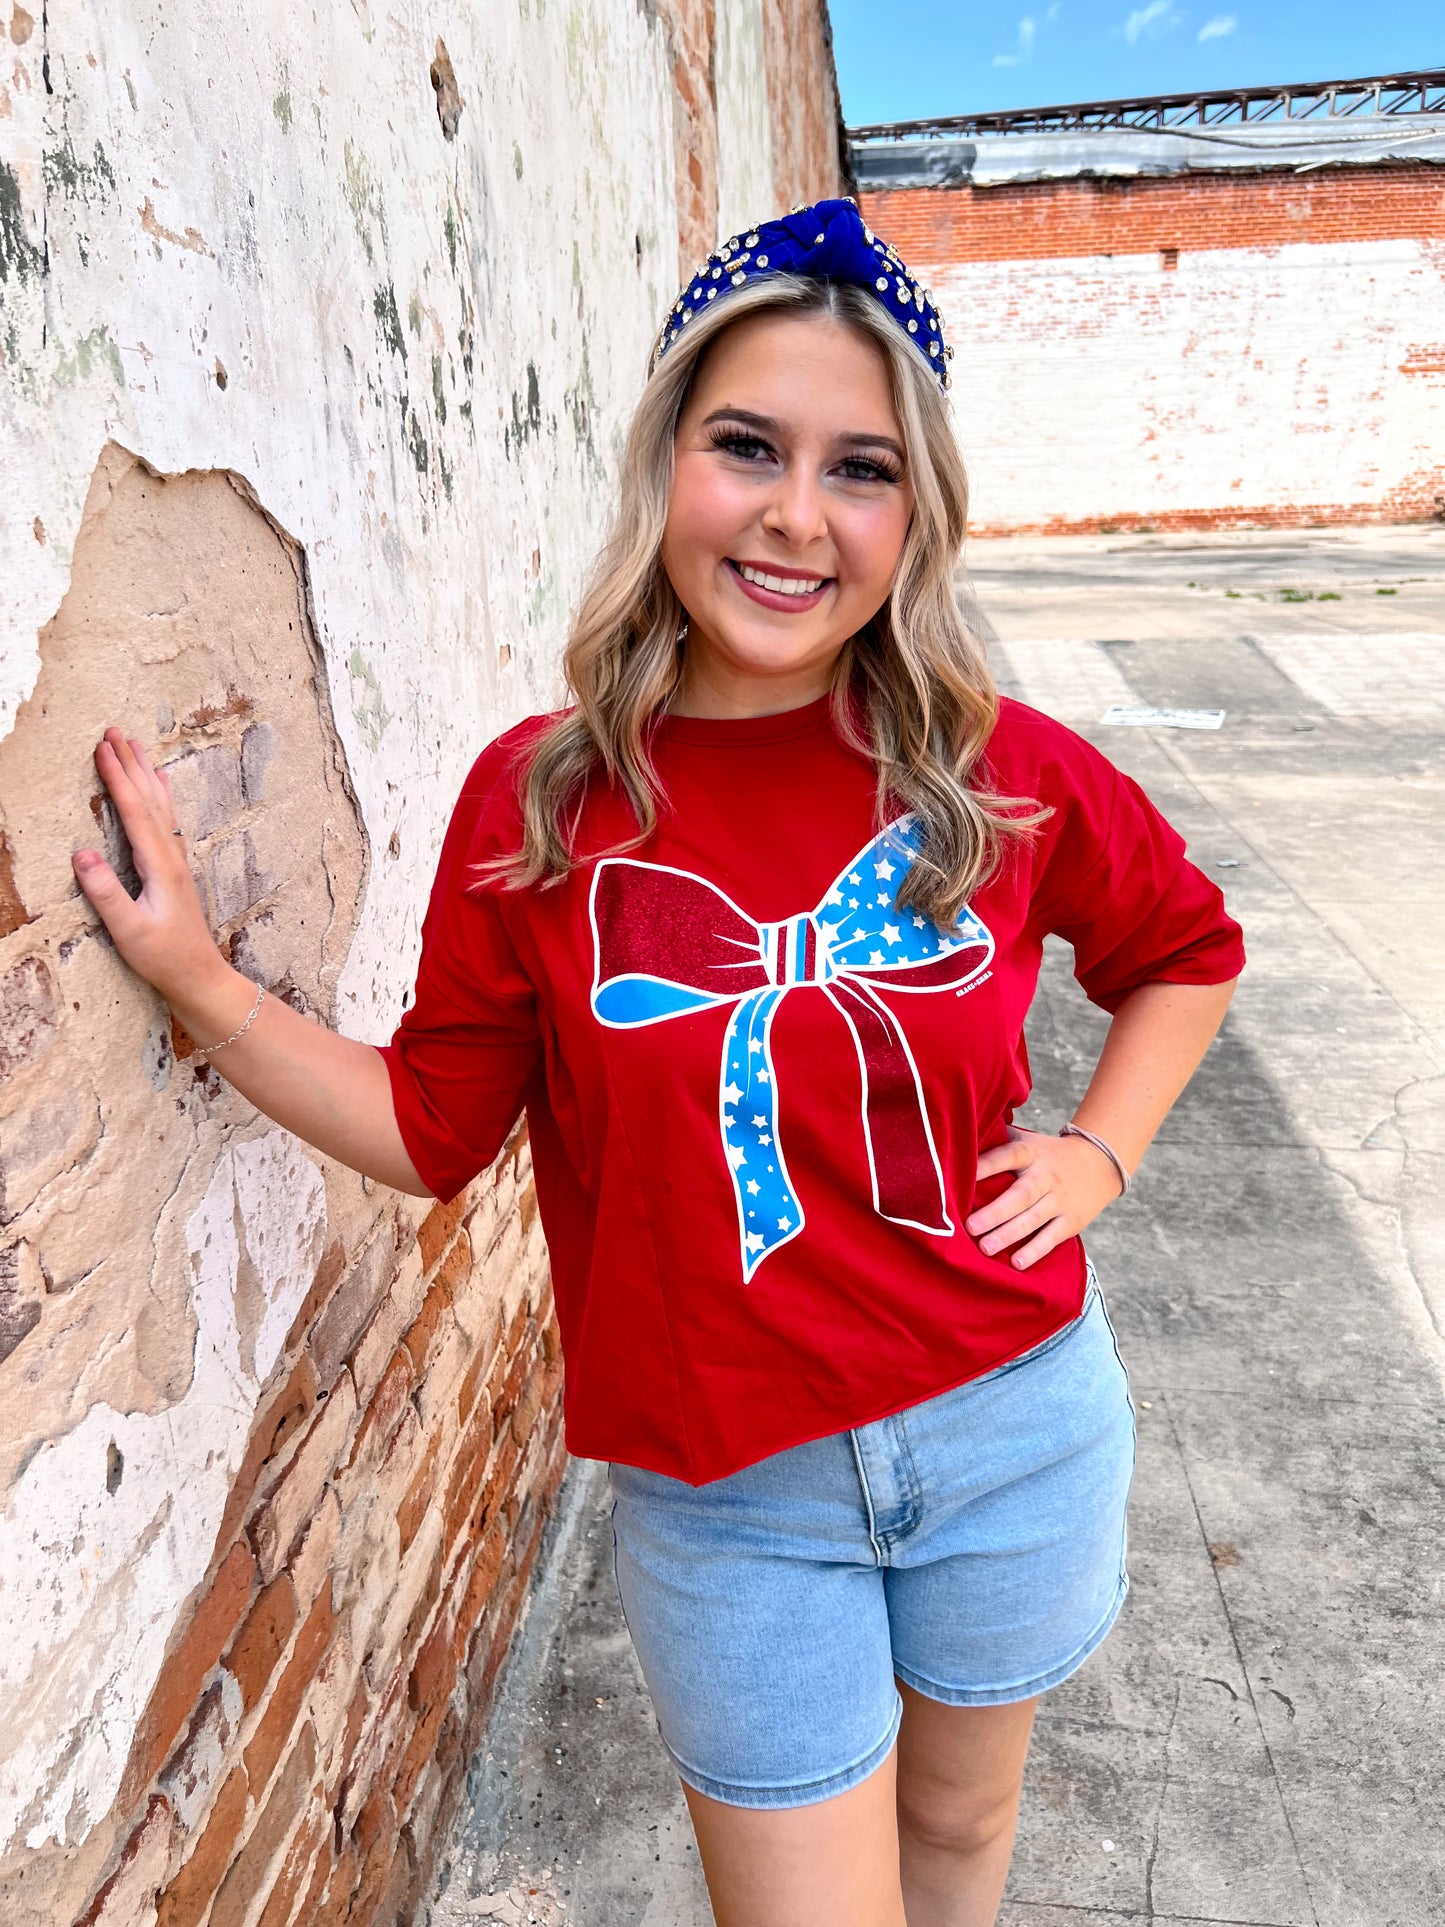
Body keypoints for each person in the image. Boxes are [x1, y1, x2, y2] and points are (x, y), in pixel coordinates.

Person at [75, 200, 1243, 1927]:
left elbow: (1185, 952)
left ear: (913, 516)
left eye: (860, 468)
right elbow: (428, 1126)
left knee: (961, 1846)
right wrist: (196, 985)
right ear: (665, 466)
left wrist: (1097, 1155)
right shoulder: (542, 802)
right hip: (730, 1493)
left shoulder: (991, 769)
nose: (792, 515)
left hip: (1014, 1424)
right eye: (745, 447)